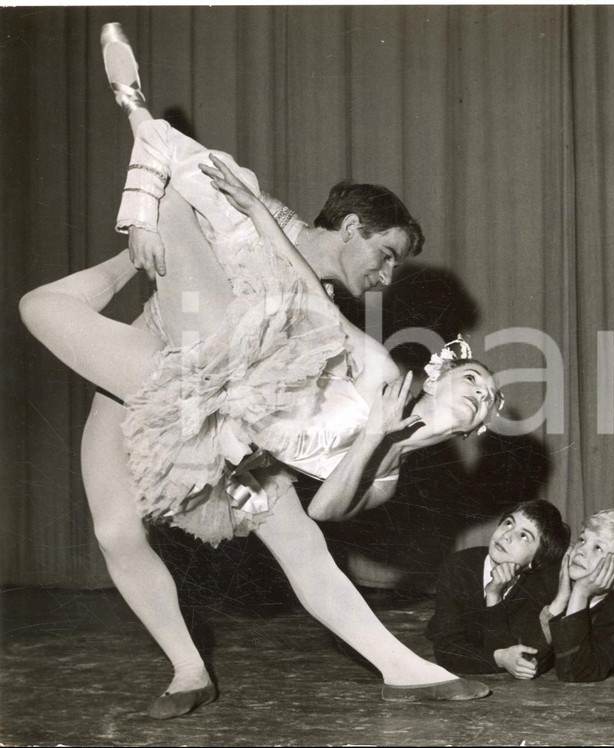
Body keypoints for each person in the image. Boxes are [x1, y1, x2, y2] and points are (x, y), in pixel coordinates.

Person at [19, 23, 495, 718]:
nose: (388, 275)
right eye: (386, 254)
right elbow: (189, 195)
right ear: (354, 225)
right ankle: (187, 669)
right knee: (114, 530)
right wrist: (142, 224)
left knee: (294, 535)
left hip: (221, 401)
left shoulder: (336, 316)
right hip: (156, 360)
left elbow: (315, 395)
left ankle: (404, 668)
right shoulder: (262, 212)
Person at [425, 500, 570, 678]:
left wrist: (494, 597)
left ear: (536, 558)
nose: (507, 535)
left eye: (524, 536)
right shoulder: (459, 566)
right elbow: (446, 651)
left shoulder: (538, 584)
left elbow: (529, 656)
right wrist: (500, 659)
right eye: (508, 523)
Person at [538, 509, 614, 682]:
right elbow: (530, 657)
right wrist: (560, 601)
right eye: (582, 539)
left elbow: (575, 672)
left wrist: (580, 594)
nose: (580, 550)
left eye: (598, 548)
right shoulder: (553, 580)